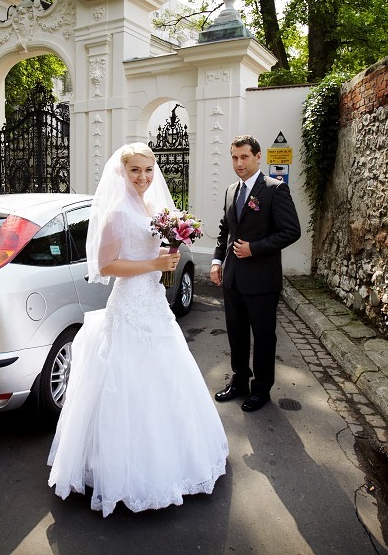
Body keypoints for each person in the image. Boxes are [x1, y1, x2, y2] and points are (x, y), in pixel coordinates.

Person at [48, 142, 228, 517]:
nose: (144, 177)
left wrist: (169, 251)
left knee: (166, 381)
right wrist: (154, 262)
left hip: (153, 304)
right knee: (125, 386)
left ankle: (173, 459)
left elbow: (153, 252)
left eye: (148, 170)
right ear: (121, 172)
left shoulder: (151, 207)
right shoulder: (115, 213)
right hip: (129, 304)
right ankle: (120, 471)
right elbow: (106, 265)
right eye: (135, 171)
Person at [211, 135, 301, 412]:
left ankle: (261, 389)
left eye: (244, 157)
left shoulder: (275, 190)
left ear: (258, 156)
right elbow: (225, 230)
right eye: (235, 157)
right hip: (233, 279)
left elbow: (291, 231)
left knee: (263, 337)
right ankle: (239, 381)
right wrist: (217, 262)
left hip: (262, 282)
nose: (239, 163)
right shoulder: (230, 191)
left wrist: (255, 248)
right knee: (236, 335)